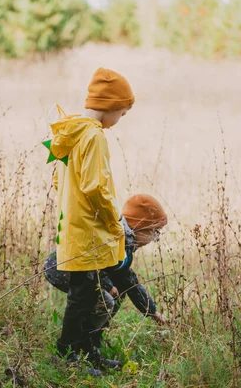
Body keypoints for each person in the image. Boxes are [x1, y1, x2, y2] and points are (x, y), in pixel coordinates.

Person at [42, 67, 134, 375]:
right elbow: (97, 186)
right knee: (81, 297)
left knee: (90, 292)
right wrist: (114, 220)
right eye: (121, 113)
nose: (119, 120)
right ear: (109, 107)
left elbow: (59, 182)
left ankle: (89, 352)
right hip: (90, 230)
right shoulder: (93, 137)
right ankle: (67, 355)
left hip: (74, 226)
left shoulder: (70, 133)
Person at [44, 194, 169, 366]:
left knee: (117, 292)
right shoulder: (116, 236)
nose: (154, 239)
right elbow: (94, 260)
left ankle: (89, 345)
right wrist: (107, 285)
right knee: (100, 299)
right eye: (154, 233)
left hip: (86, 270)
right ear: (141, 226)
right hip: (64, 267)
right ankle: (73, 350)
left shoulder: (128, 245)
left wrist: (151, 311)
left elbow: (128, 280)